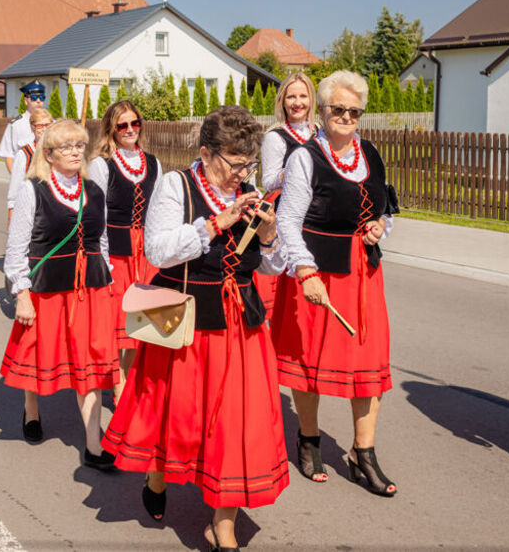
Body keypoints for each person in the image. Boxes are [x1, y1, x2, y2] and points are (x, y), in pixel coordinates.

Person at [102, 106, 287, 549]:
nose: (242, 172)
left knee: (235, 422)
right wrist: (217, 222)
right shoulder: (176, 185)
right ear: (205, 152)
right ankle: (158, 476)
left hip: (239, 323)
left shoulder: (250, 191)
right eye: (234, 162)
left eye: (249, 163)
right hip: (184, 321)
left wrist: (268, 235)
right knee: (177, 415)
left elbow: (274, 264)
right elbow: (159, 251)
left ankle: (223, 522)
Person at [272, 70, 396, 497]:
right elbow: (287, 220)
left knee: (369, 365)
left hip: (364, 275)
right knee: (310, 365)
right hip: (317, 274)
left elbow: (386, 207)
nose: (346, 116)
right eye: (338, 109)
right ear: (322, 111)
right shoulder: (305, 157)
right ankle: (309, 440)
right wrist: (304, 270)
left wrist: (381, 225)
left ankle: (364, 453)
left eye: (354, 111)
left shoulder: (372, 154)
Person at [2, 119, 119, 469]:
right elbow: (16, 248)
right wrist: (21, 292)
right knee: (39, 354)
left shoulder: (93, 190)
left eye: (79, 146)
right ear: (49, 154)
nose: (74, 152)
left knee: (91, 364)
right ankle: (31, 410)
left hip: (91, 290)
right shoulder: (32, 190)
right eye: (65, 147)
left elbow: (102, 242)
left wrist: (108, 278)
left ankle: (93, 444)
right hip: (48, 290)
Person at [87, 100, 162, 405]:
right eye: (123, 125)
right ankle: (118, 388)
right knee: (117, 324)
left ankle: (126, 382)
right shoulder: (101, 164)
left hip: (145, 253)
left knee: (139, 324)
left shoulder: (153, 163)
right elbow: (96, 215)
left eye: (135, 123)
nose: (130, 130)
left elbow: (157, 211)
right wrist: (102, 260)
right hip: (116, 253)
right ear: (111, 129)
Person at [256, 73, 318, 329]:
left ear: (311, 100)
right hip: (287, 212)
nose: (297, 102)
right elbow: (269, 180)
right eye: (291, 96)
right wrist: (298, 170)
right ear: (282, 101)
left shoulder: (320, 132)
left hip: (316, 213)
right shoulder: (275, 136)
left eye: (302, 96)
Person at [6, 109, 53, 225]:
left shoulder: (59, 151)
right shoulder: (25, 154)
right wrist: (11, 213)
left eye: (47, 125)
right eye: (39, 126)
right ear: (32, 128)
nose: (44, 129)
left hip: (54, 208)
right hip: (32, 210)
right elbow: (15, 186)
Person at [0, 81, 49, 173]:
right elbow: (8, 155)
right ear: (26, 101)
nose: (38, 101)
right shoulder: (16, 125)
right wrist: (16, 179)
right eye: (34, 98)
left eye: (42, 98)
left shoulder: (52, 123)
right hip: (25, 176)